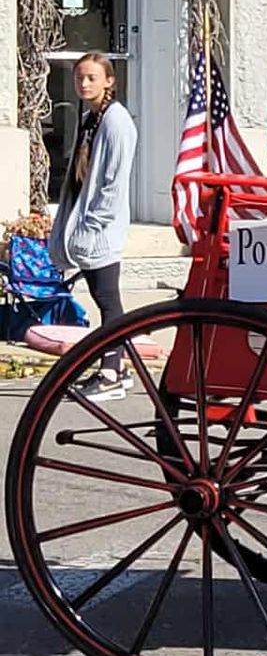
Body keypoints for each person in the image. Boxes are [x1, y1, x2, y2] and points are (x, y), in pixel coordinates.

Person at [50, 53, 137, 402]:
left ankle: (110, 373)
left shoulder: (116, 122)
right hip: (85, 226)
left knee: (107, 300)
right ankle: (118, 365)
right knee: (106, 300)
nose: (84, 83)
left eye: (91, 78)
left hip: (101, 230)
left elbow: (113, 183)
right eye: (79, 78)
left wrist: (92, 226)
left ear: (109, 81)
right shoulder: (91, 119)